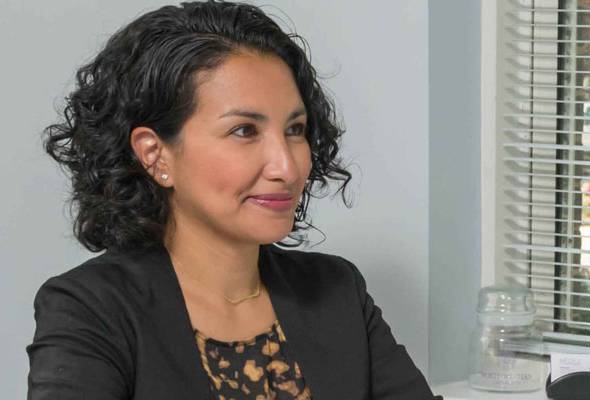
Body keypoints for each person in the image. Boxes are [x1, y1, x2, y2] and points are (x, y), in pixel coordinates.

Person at [29, 2, 437, 399]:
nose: (286, 166)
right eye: (244, 131)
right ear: (155, 155)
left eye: (295, 129)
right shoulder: (92, 307)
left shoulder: (337, 290)